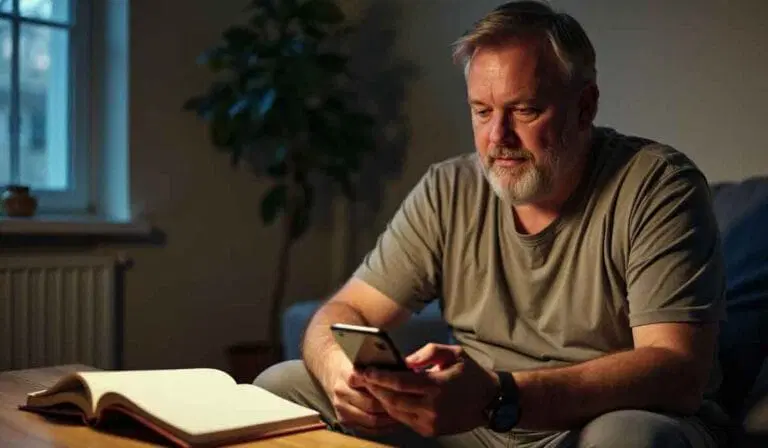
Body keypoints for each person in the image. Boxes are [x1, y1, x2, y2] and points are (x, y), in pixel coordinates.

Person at [255, 1, 729, 447]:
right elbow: (344, 311)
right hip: (476, 427)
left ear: (585, 106)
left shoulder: (658, 185)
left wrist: (500, 395)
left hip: (593, 423)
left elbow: (676, 370)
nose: (497, 137)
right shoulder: (449, 188)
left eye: (524, 110)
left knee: (625, 437)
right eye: (482, 112)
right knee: (282, 386)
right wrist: (342, 375)